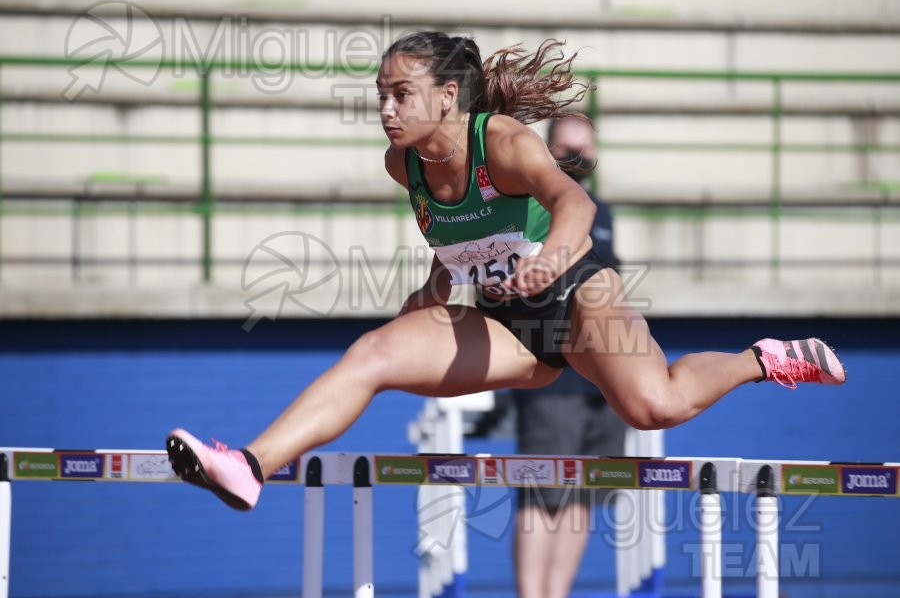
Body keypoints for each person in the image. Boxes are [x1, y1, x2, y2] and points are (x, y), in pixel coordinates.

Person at [165, 32, 845, 513]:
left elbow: (573, 200)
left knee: (654, 404)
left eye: (401, 95)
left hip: (579, 295)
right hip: (502, 322)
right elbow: (459, 241)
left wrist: (551, 258)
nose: (385, 111)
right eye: (380, 96)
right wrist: (428, 296)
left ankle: (764, 358)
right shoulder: (402, 166)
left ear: (448, 95)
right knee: (371, 353)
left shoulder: (505, 143)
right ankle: (250, 466)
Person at [512, 115, 628, 598]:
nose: (576, 159)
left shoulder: (602, 212)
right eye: (566, 149)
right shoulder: (529, 207)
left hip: (602, 377)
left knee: (584, 492)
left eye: (584, 150)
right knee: (543, 493)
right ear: (547, 150)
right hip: (552, 374)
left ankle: (556, 594)